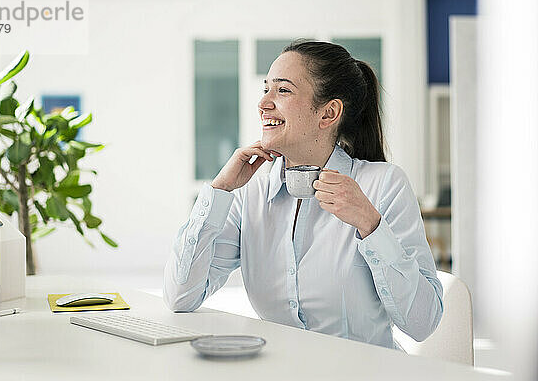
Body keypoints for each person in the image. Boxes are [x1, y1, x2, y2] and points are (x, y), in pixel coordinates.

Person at [163, 40, 443, 349]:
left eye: (282, 91)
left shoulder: (383, 185)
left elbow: (422, 323)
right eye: (265, 89)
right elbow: (180, 296)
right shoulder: (250, 192)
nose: (264, 103)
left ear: (328, 113)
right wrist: (220, 190)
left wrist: (371, 225)